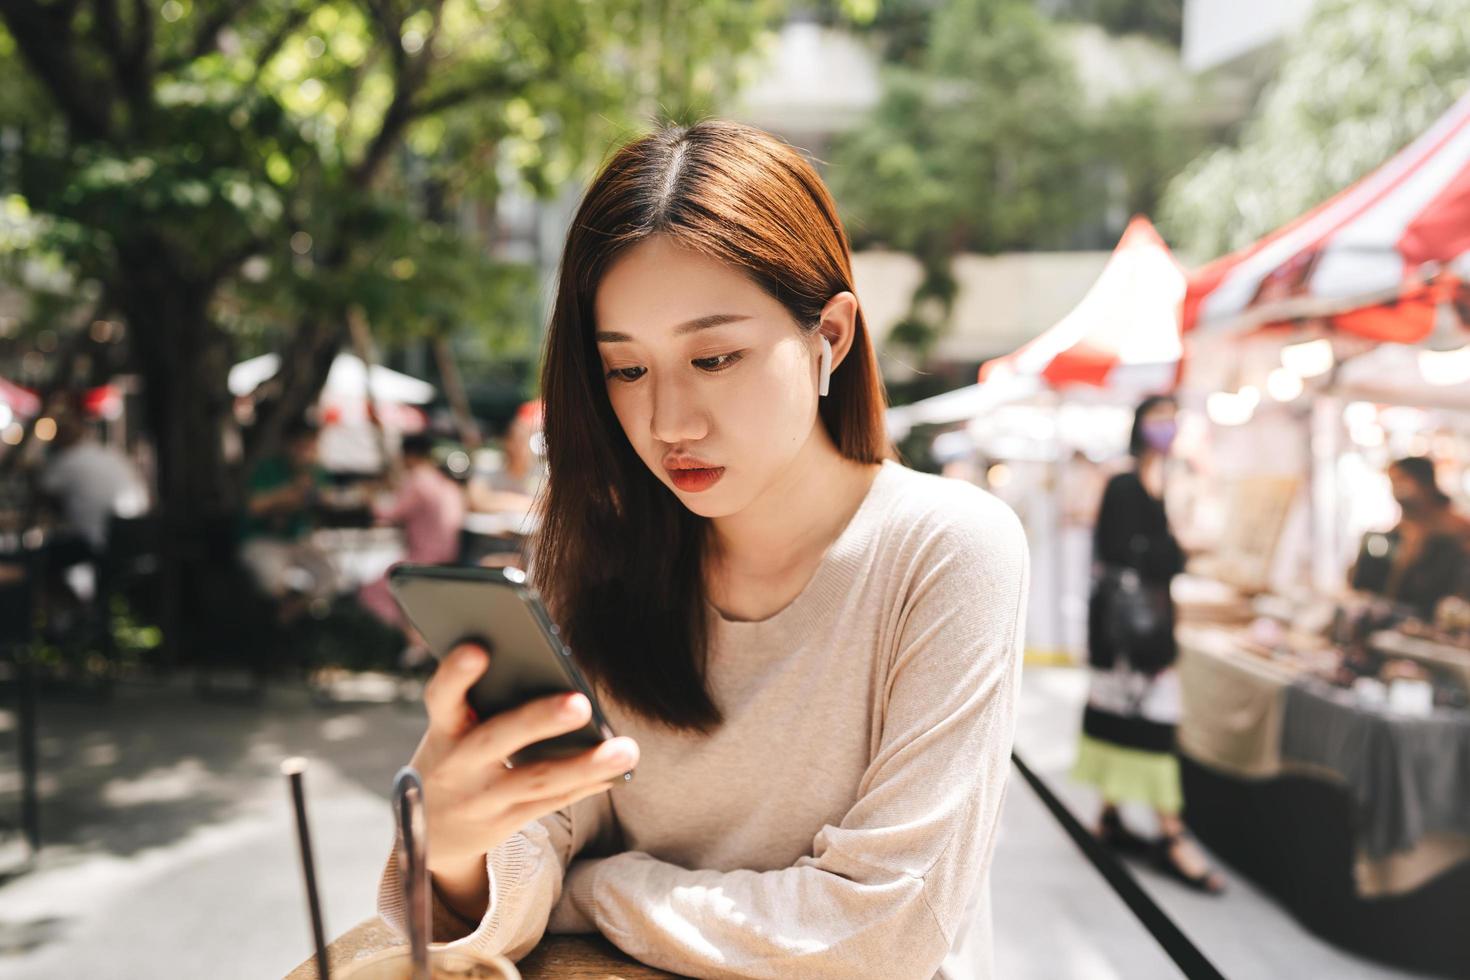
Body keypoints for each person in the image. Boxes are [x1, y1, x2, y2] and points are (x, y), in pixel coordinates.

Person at [376, 121, 1029, 979]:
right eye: (627, 370)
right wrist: (455, 845)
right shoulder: (600, 556)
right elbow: (536, 845)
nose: (669, 423)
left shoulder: (945, 550)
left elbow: (883, 933)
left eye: (715, 357)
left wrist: (594, 893)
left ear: (828, 338)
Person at [1072, 394, 1224, 894]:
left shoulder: (1174, 482)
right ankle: (1171, 833)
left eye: (1172, 419)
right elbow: (1127, 554)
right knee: (1151, 721)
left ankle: (1110, 814)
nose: (1167, 428)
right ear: (1141, 426)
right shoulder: (1124, 483)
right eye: (1158, 419)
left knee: (1129, 717)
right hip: (1130, 634)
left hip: (1147, 626)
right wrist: (1176, 542)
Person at [358, 433, 467, 631]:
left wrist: (369, 498)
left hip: (423, 561)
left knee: (371, 593)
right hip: (448, 558)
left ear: (408, 455)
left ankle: (410, 637)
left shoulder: (418, 480)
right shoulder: (445, 482)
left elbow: (390, 513)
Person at [1350, 455, 1470, 620]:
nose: (1397, 489)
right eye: (1393, 482)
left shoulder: (1456, 529)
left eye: (1402, 480)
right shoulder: (1396, 532)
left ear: (1424, 483)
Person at [239, 420, 337, 619]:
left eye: (311, 446)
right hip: (263, 539)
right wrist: (289, 493)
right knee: (271, 579)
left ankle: (297, 614)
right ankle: (277, 616)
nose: (307, 452)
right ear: (289, 445)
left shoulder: (314, 472)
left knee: (329, 575)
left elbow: (326, 501)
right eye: (302, 446)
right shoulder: (269, 468)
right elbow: (254, 506)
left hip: (297, 540)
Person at [38, 414, 148, 555]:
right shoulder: (109, 453)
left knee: (45, 556)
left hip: (99, 538)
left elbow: (43, 495)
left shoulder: (66, 459)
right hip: (137, 532)